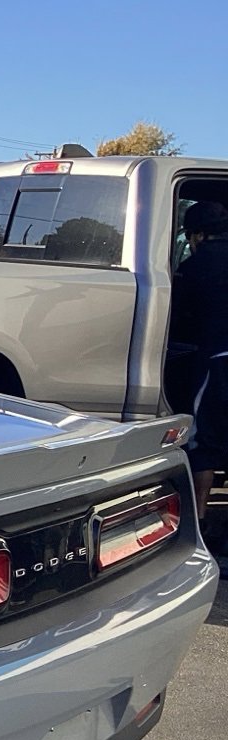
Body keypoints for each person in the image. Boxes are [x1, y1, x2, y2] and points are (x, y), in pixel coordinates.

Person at [172, 200, 228, 529]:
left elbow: (178, 317)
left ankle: (200, 522)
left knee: (204, 441)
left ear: (197, 235)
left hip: (217, 360)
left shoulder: (194, 267)